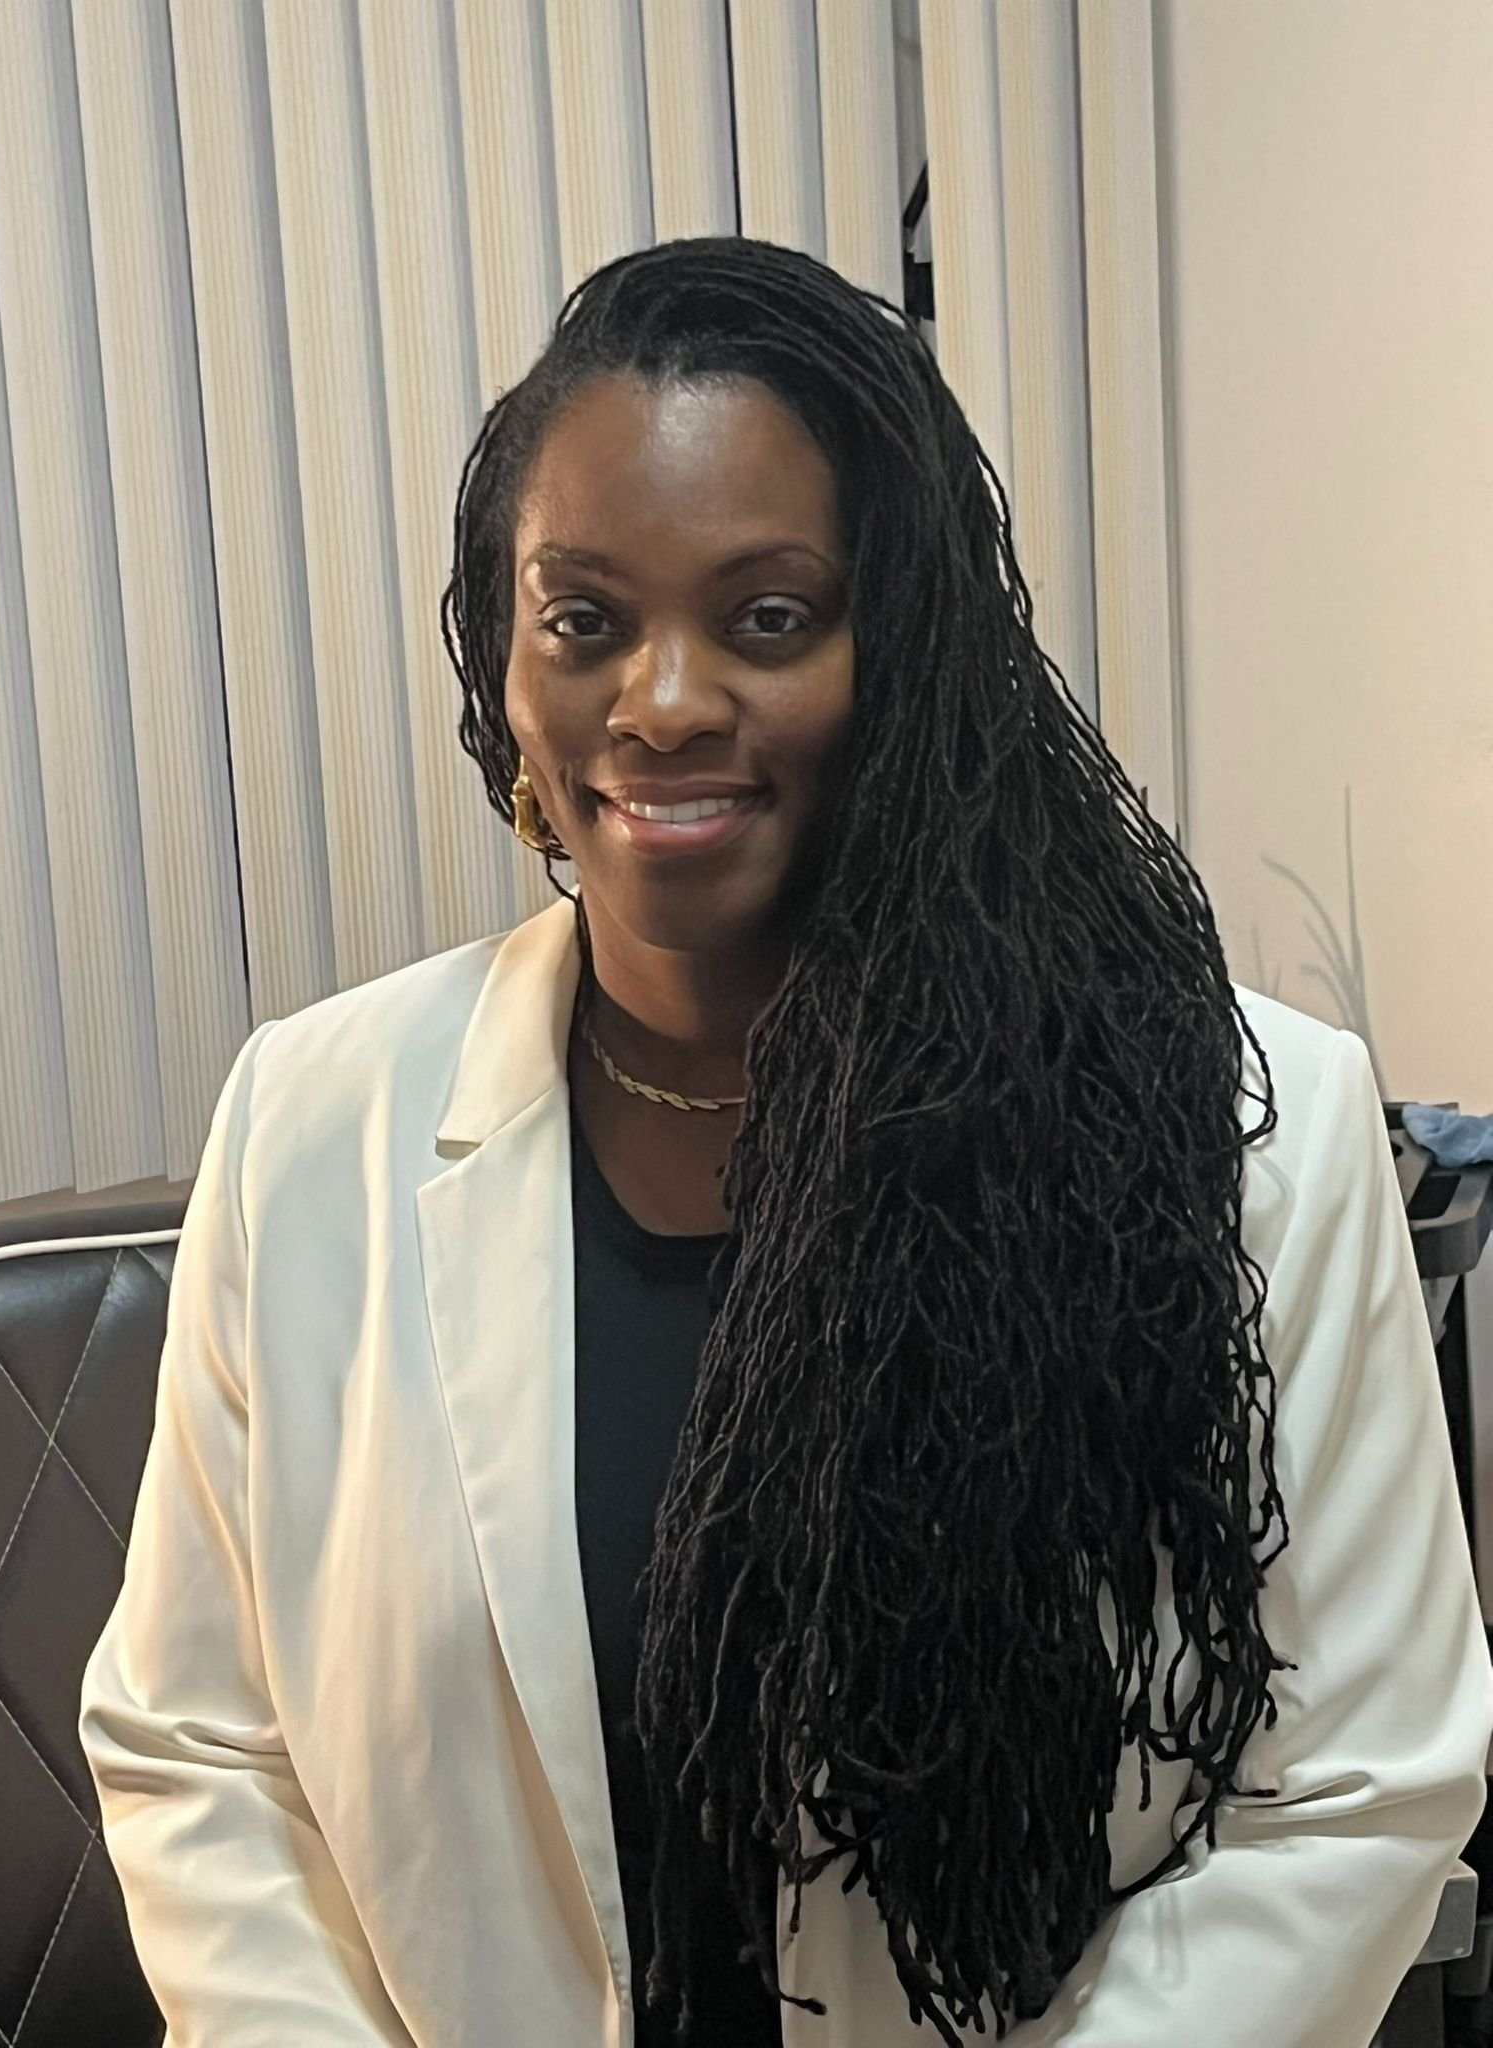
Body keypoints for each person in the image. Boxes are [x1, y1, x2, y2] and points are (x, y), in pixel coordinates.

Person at [80, 237, 1493, 2047]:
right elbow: (199, 1744)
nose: (662, 700)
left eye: (767, 616)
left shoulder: (1249, 1137)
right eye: (585, 620)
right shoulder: (309, 1122)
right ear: (502, 665)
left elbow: (1353, 1785)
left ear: (908, 652)